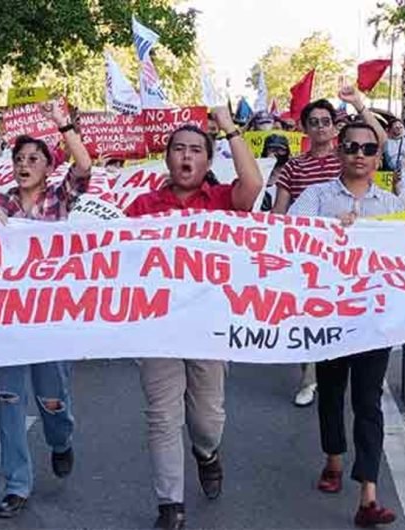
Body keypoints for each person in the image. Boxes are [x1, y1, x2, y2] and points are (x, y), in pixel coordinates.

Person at [289, 122, 405, 528]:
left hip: (373, 320)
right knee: (332, 393)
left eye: (368, 148)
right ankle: (333, 460)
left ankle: (368, 493)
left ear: (376, 158)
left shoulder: (390, 204)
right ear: (339, 151)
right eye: (351, 146)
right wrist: (329, 232)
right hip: (329, 316)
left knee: (367, 401)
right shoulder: (315, 198)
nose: (359, 154)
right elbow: (291, 237)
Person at [125, 106, 262, 530]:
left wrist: (229, 128)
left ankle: (207, 453)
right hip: (158, 327)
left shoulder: (223, 201)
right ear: (167, 158)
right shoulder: (142, 206)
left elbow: (253, 184)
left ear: (208, 161)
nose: (186, 157)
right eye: (179, 149)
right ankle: (171, 505)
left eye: (196, 150)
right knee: (163, 416)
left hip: (209, 327)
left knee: (207, 420)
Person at [0, 101, 91, 519]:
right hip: (6, 320)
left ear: (47, 166)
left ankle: (61, 442)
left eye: (34, 159)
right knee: (7, 400)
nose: (25, 164)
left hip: (49, 319)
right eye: (19, 158)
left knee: (51, 400)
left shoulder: (60, 198)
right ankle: (16, 485)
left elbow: (83, 165)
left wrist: (64, 125)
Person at [273, 86, 387, 407]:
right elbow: (282, 213)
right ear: (305, 128)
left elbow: (379, 140)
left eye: (326, 121)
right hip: (312, 255)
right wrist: (273, 241)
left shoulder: (351, 156)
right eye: (315, 122)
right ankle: (310, 379)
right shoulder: (294, 168)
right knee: (312, 315)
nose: (321, 127)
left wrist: (357, 104)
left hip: (356, 256)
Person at [260, 133, 291, 211]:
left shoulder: (292, 171)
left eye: (281, 150)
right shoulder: (258, 169)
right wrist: (267, 164)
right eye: (272, 149)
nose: (276, 153)